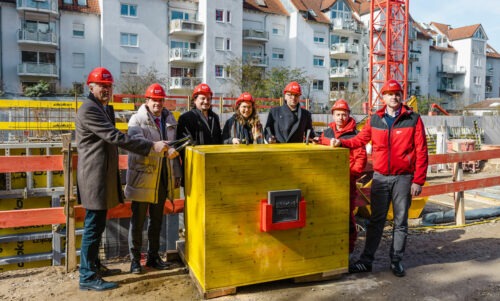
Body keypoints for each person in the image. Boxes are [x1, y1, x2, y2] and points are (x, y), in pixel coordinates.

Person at [76, 67, 169, 291]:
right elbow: (115, 137)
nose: (106, 90)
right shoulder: (89, 109)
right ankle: (87, 276)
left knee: (98, 224)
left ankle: (95, 266)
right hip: (94, 175)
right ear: (91, 87)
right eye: (102, 86)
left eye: (109, 86)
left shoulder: (104, 108)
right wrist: (151, 147)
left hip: (103, 174)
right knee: (92, 225)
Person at [330, 79, 428, 277]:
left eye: (397, 93)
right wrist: (340, 143)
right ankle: (366, 261)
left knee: (401, 221)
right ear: (383, 97)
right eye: (389, 93)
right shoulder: (375, 119)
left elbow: (422, 151)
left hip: (403, 178)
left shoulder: (414, 119)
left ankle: (396, 260)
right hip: (381, 178)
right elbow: (359, 140)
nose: (394, 96)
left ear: (401, 96)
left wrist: (418, 180)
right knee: (376, 220)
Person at [125, 83, 182, 274]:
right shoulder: (136, 120)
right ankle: (134, 260)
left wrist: (175, 171)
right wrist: (154, 146)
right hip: (143, 177)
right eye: (154, 100)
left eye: (160, 100)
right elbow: (134, 142)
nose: (157, 103)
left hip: (162, 176)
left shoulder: (169, 119)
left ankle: (153, 256)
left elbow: (172, 146)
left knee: (156, 220)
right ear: (147, 101)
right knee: (138, 220)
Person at [316, 99, 367, 258]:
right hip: (328, 182)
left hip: (346, 183)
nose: (340, 118)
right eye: (338, 114)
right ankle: (329, 246)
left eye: (343, 114)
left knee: (346, 216)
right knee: (328, 215)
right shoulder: (327, 133)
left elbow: (360, 160)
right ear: (333, 115)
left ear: (348, 115)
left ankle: (348, 250)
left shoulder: (355, 135)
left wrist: (349, 176)